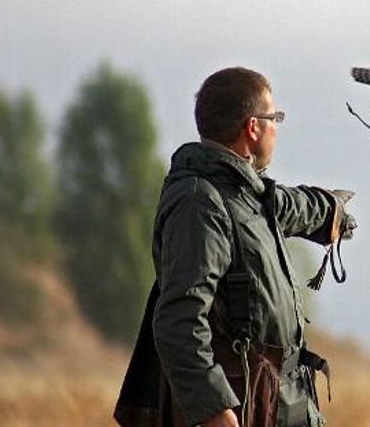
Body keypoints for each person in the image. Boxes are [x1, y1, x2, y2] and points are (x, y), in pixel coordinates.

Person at [114, 67, 356, 427]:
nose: (277, 126)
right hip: (242, 402)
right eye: (274, 118)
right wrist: (212, 407)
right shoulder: (198, 203)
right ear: (253, 126)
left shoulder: (246, 194)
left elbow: (292, 206)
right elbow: (179, 319)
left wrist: (333, 213)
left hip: (282, 398)